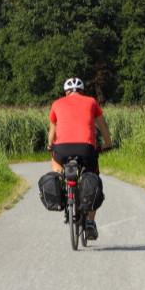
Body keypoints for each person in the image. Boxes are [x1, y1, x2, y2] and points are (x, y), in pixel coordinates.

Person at [47, 77, 114, 239]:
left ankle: (62, 185)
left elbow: (52, 131)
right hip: (86, 149)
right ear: (82, 91)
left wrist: (50, 145)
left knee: (56, 163)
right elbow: (102, 125)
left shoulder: (56, 104)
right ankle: (90, 222)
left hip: (62, 149)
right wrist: (107, 144)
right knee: (92, 176)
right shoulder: (91, 102)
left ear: (66, 92)